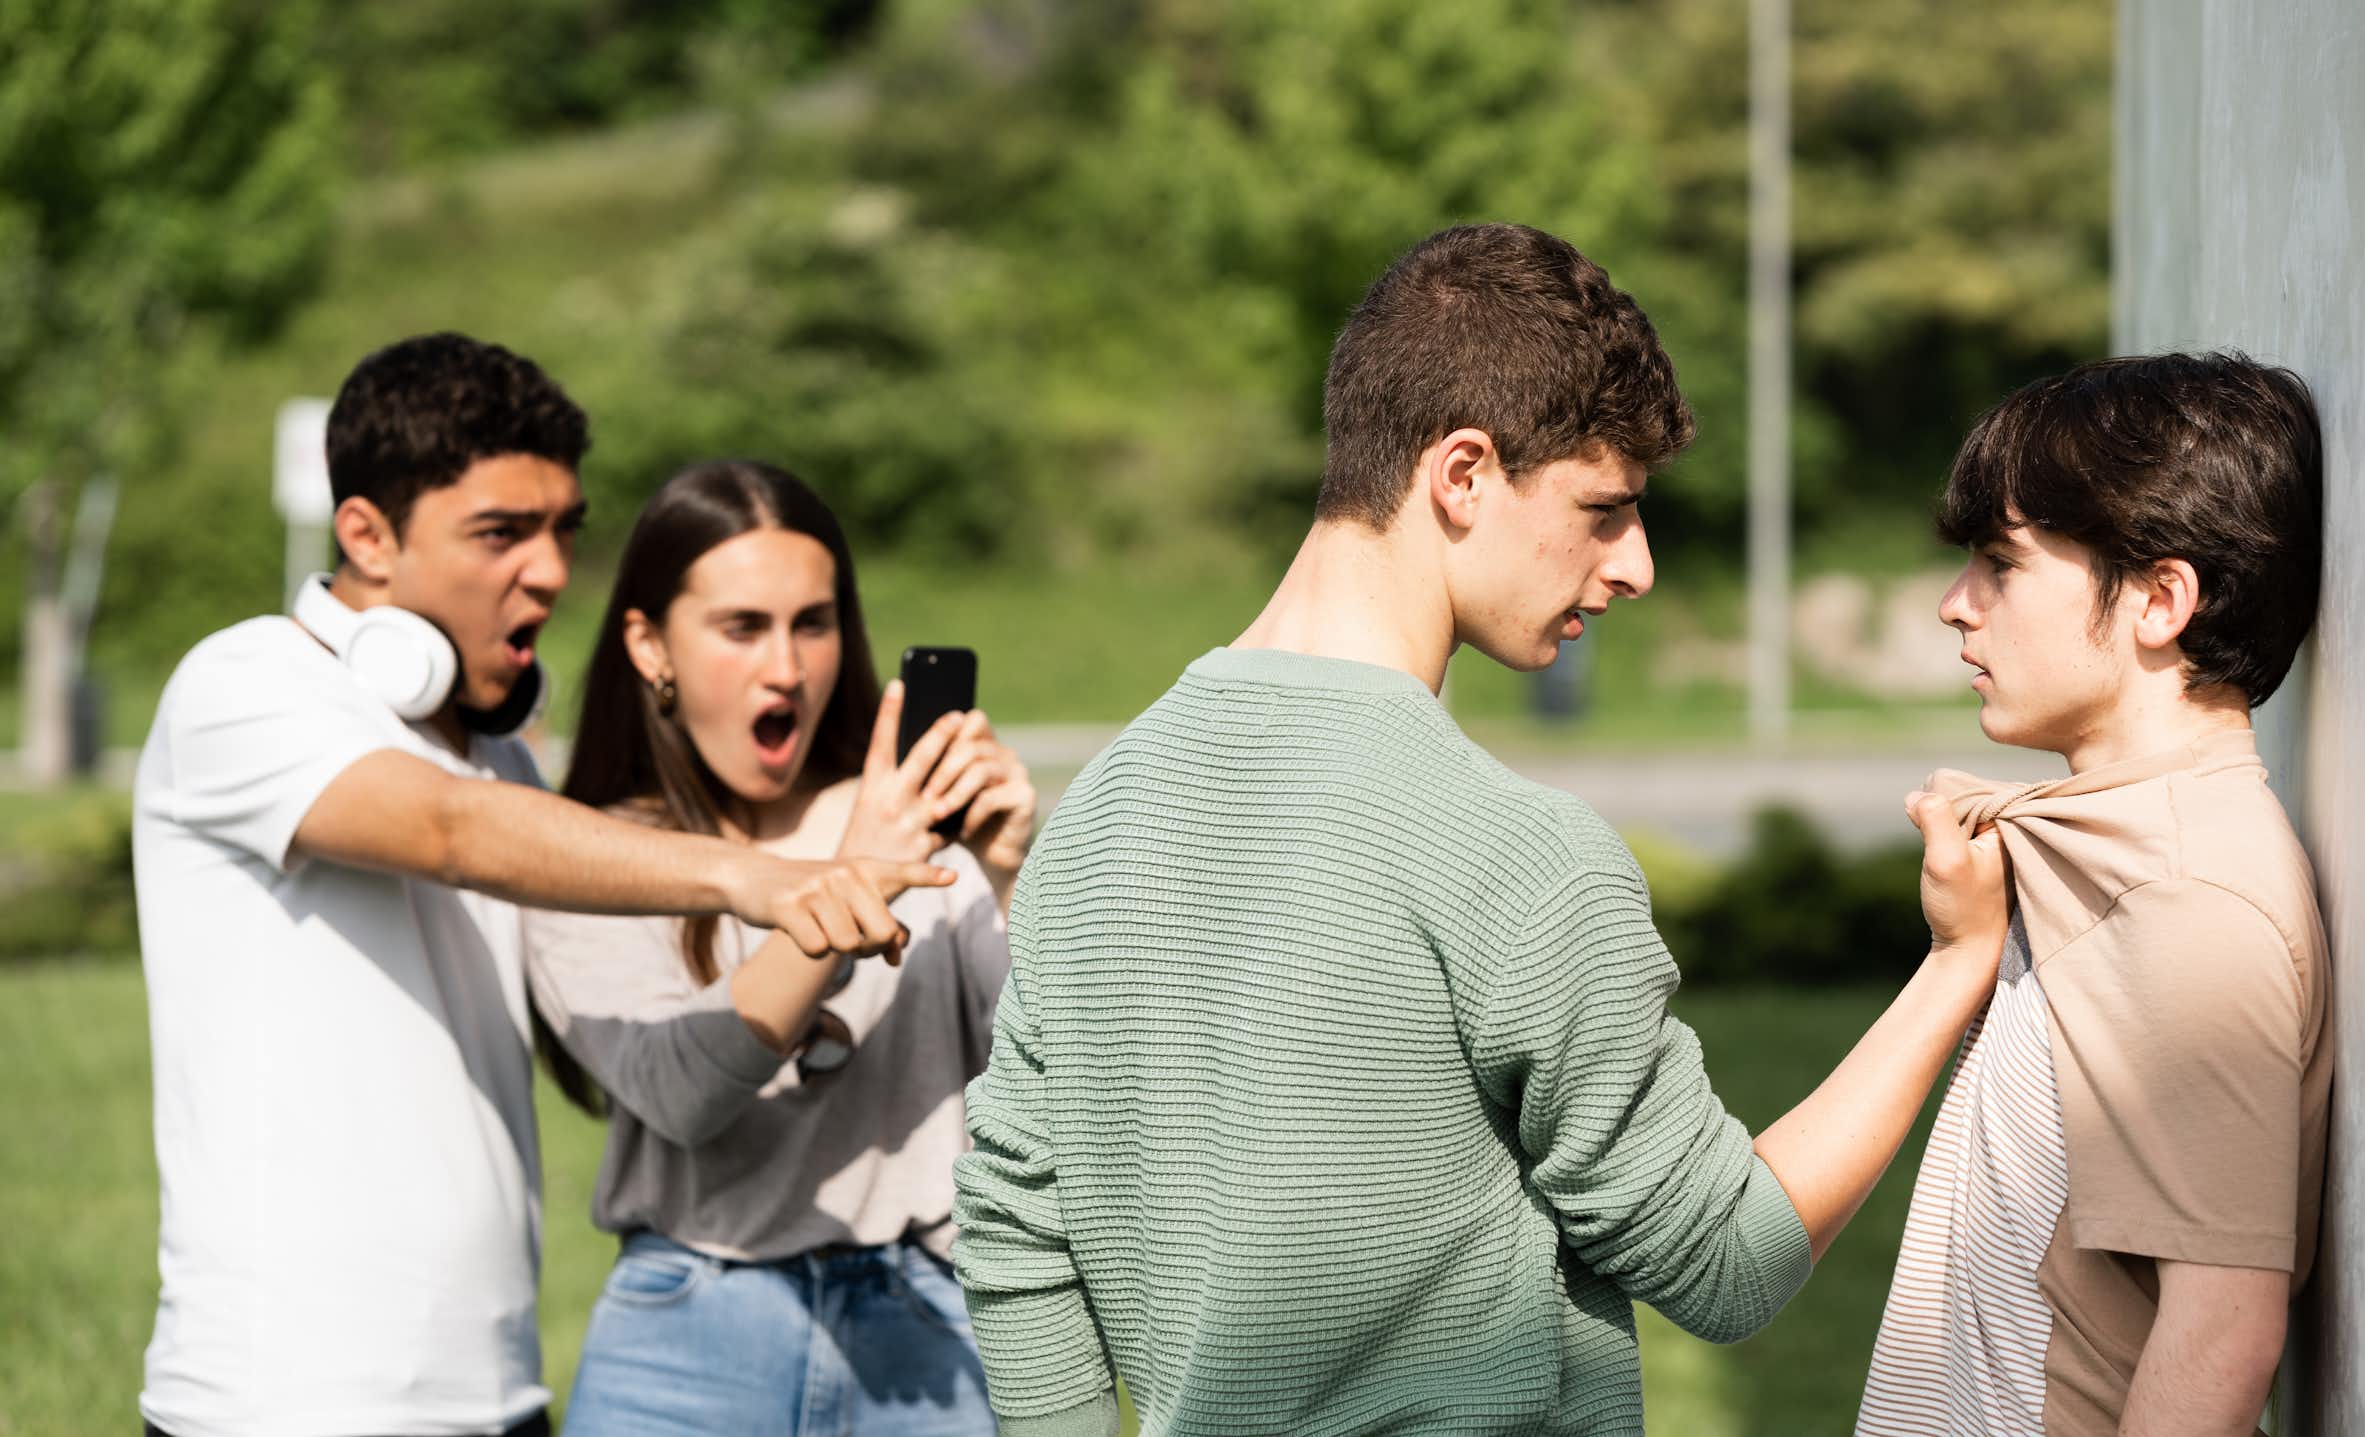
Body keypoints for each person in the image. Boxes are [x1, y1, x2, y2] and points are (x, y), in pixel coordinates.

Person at [951, 222, 2012, 1437]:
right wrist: (1955, 966)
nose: (1638, 566)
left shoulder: (1097, 811)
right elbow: (1726, 1260)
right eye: (1603, 508)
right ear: (1461, 475)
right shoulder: (1519, 857)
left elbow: (1013, 1225)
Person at [131, 337, 941, 1437]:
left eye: (564, 528)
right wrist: (756, 878)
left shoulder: (499, 759)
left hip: (498, 1399)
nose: (552, 571)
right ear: (366, 534)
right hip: (287, 1405)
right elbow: (449, 828)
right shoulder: (248, 685)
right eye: (501, 533)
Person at [1852, 352, 2332, 1437]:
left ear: (2160, 599)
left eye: (2000, 564)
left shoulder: (2188, 894)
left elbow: (2222, 1328)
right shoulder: (2111, 847)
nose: (1952, 605)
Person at [522, 460, 1035, 1437]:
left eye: (813, 623)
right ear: (648, 644)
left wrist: (1012, 877)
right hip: (687, 1335)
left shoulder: (921, 823)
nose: (787, 670)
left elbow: (1049, 1077)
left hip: (927, 1329)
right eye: (742, 628)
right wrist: (843, 891)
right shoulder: (595, 857)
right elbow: (681, 1095)